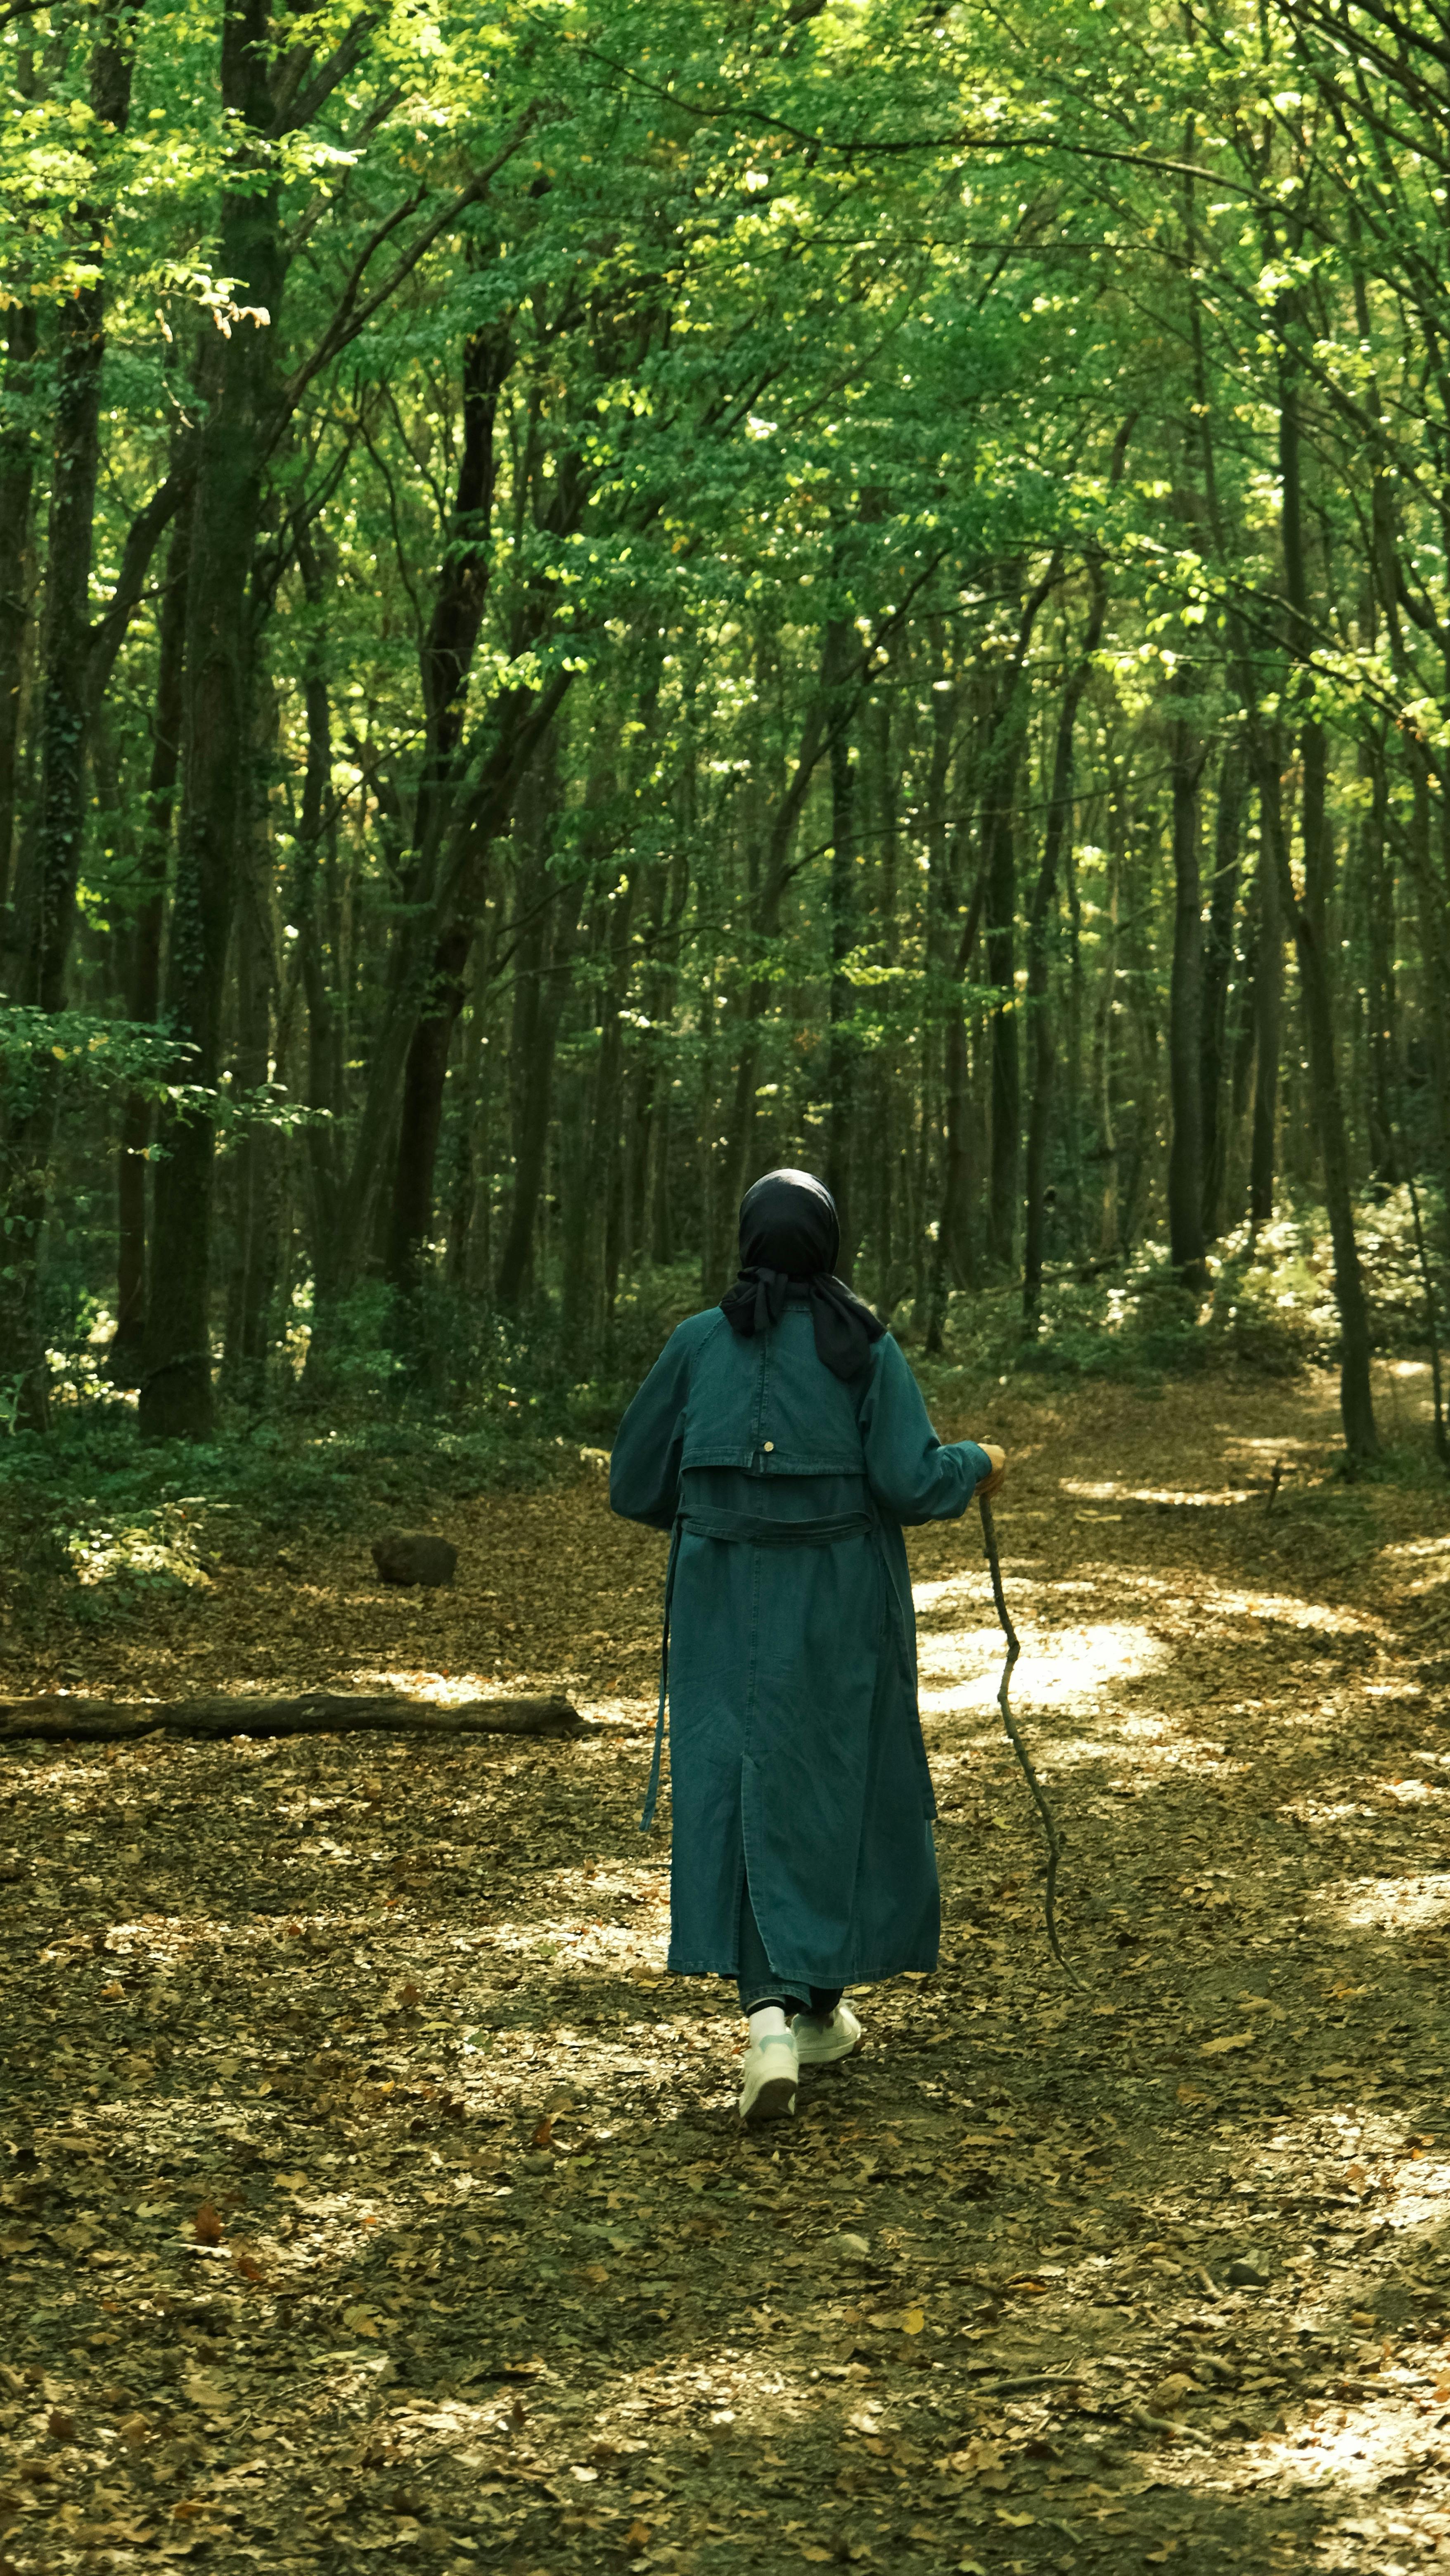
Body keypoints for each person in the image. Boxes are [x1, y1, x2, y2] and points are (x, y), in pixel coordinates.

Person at [609, 1169, 1007, 2124]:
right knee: (836, 1780)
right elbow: (910, 1484)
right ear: (828, 1245)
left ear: (749, 1240)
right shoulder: (862, 1346)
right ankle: (803, 2007)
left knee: (739, 1783)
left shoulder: (698, 1342)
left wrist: (717, 1515)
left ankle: (777, 2021)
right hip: (839, 1605)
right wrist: (979, 1464)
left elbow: (633, 1485)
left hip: (716, 1602)